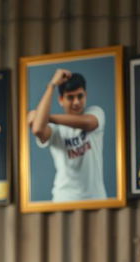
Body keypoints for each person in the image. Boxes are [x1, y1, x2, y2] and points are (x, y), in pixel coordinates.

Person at [27, 69, 106, 202]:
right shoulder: (55, 130)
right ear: (61, 100)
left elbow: (89, 124)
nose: (76, 102)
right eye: (70, 97)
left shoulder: (96, 113)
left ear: (85, 95)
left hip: (96, 198)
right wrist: (52, 85)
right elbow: (38, 129)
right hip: (63, 199)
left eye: (80, 96)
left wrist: (44, 117)